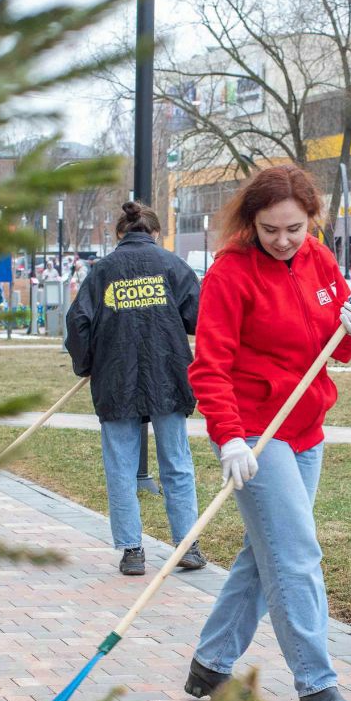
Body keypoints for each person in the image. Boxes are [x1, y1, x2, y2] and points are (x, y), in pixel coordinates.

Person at [184, 164, 351, 701]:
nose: (284, 240)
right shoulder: (230, 274)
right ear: (252, 223)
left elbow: (341, 350)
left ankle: (210, 665)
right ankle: (317, 687)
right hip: (257, 436)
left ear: (311, 218)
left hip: (305, 429)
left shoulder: (319, 259)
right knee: (295, 556)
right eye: (270, 230)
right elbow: (208, 366)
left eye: (294, 227)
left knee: (265, 552)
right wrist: (229, 437)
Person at [65, 202, 206, 576]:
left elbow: (77, 322)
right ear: (154, 234)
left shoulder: (102, 272)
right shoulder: (173, 266)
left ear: (119, 235)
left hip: (115, 378)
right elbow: (200, 317)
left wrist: (87, 364)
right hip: (169, 375)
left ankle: (132, 550)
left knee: (120, 466)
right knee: (176, 462)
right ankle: (187, 545)